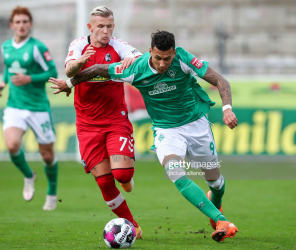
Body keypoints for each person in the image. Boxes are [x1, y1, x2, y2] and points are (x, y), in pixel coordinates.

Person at [50, 30, 239, 242]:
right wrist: (69, 84)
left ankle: (215, 200)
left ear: (174, 53)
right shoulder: (136, 69)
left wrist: (227, 109)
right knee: (177, 174)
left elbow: (220, 80)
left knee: (215, 182)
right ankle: (220, 219)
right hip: (167, 131)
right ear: (149, 52)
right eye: (157, 58)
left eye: (167, 59)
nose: (161, 64)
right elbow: (95, 69)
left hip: (197, 126)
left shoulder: (184, 58)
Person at [63, 6, 143, 238]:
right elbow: (69, 71)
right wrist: (80, 62)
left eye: (109, 26)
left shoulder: (117, 45)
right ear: (90, 27)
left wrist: (132, 59)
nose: (105, 31)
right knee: (105, 183)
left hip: (115, 120)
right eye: (100, 27)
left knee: (121, 176)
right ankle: (132, 224)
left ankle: (127, 178)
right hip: (87, 126)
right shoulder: (78, 45)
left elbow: (139, 57)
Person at [0, 6, 59, 211]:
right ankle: (29, 175)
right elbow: (9, 67)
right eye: (18, 22)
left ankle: (51, 192)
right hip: (15, 105)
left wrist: (29, 78)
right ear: (11, 25)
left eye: (25, 22)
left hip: (38, 107)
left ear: (30, 25)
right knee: (12, 145)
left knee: (47, 156)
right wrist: (3, 83)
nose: (21, 25)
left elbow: (52, 71)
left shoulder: (37, 48)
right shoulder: (5, 46)